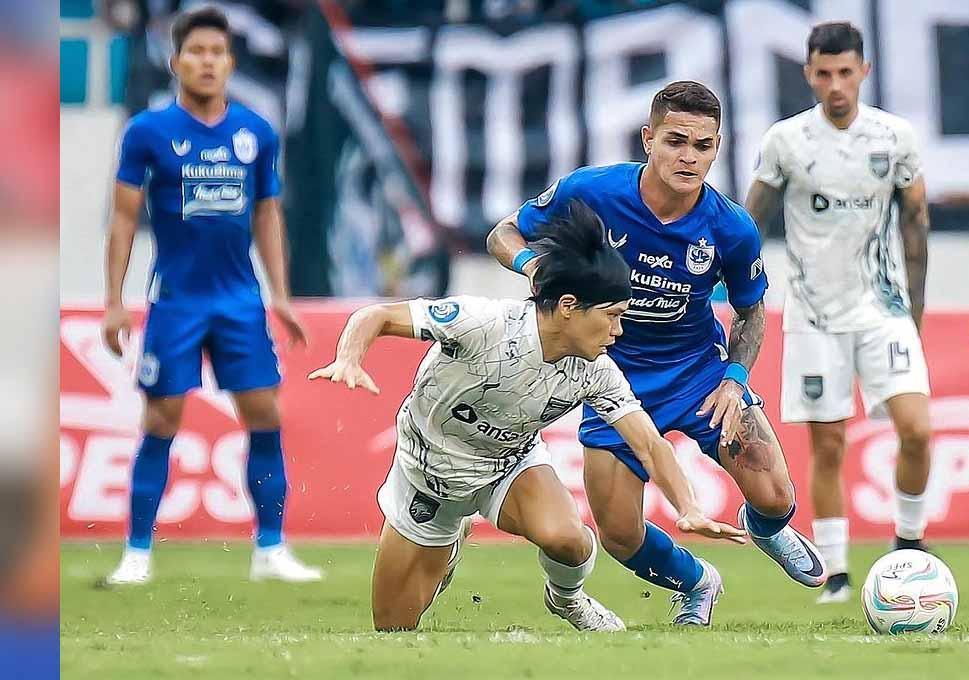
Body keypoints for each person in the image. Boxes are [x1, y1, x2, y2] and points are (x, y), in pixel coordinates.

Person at [310, 200, 745, 632]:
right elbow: (377, 315)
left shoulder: (596, 369)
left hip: (507, 465)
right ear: (570, 306)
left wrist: (688, 506)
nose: (618, 331)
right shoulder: (483, 324)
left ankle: (568, 600)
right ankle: (452, 535)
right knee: (392, 628)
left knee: (569, 541)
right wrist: (349, 358)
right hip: (428, 476)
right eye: (612, 317)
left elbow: (649, 443)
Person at [486, 81, 827, 627]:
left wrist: (735, 379)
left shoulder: (730, 228)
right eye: (675, 141)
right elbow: (502, 233)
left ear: (718, 148)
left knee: (776, 495)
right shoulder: (593, 192)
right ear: (648, 139)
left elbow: (752, 311)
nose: (688, 157)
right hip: (608, 378)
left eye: (703, 145)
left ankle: (765, 530)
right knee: (619, 535)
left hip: (697, 374)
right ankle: (697, 582)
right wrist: (534, 267)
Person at [102, 7, 320, 585]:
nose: (206, 62)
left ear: (230, 62)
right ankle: (137, 552)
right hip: (176, 299)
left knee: (264, 412)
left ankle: (271, 549)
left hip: (239, 301)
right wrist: (114, 299)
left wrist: (281, 294)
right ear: (175, 62)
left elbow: (268, 215)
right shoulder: (147, 133)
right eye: (195, 52)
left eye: (217, 53)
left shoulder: (256, 133)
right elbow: (124, 219)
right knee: (162, 417)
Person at [743, 21, 934, 604]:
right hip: (813, 316)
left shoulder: (895, 137)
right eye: (823, 74)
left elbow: (916, 224)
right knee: (828, 444)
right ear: (809, 74)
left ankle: (909, 543)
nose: (835, 85)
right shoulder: (786, 142)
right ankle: (837, 573)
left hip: (884, 311)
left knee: (917, 430)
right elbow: (749, 226)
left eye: (845, 72)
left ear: (863, 72)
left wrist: (916, 315)